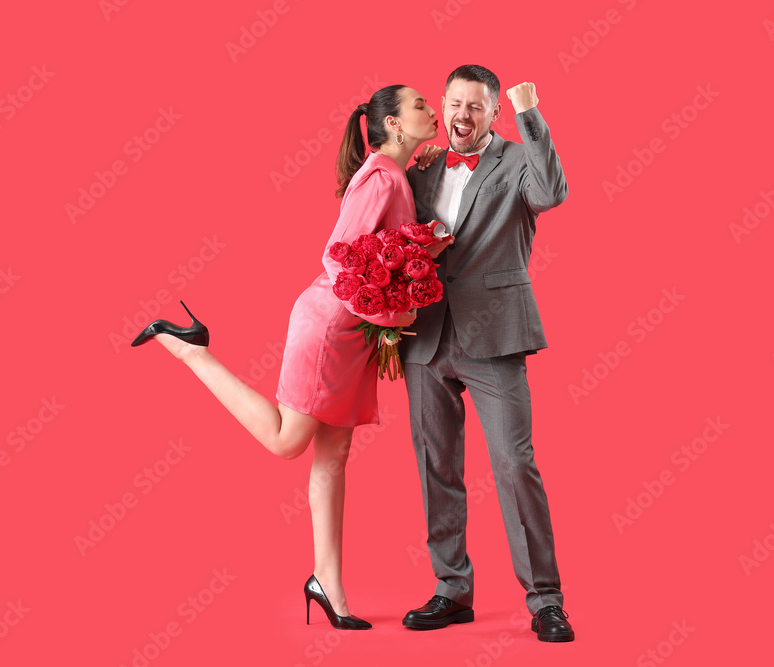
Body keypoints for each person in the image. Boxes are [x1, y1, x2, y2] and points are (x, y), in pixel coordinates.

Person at [130, 84, 448, 630]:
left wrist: (423, 247)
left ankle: (327, 583)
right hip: (330, 326)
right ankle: (191, 352)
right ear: (394, 124)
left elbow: (384, 250)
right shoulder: (379, 176)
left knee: (334, 453)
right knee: (286, 442)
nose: (432, 110)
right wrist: (397, 317)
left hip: (352, 334)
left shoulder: (391, 172)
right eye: (420, 105)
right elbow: (338, 258)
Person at [401, 65, 575, 642]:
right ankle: (451, 589)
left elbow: (552, 192)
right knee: (437, 465)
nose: (462, 115)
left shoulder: (518, 158)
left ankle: (545, 598)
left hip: (495, 335)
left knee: (513, 464)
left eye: (476, 106)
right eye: (455, 103)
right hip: (426, 336)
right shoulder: (424, 166)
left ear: (494, 112)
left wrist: (532, 117)